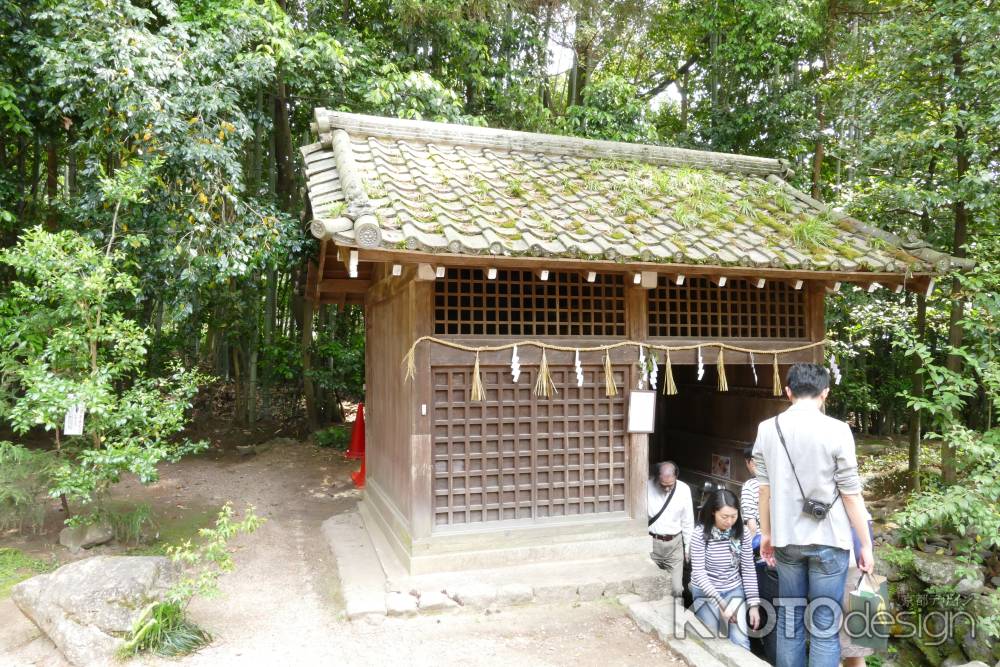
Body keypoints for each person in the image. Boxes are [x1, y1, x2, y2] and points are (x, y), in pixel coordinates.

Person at [754, 363, 874, 667]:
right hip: (830, 540)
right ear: (825, 393)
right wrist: (866, 545)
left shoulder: (767, 428)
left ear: (788, 391)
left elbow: (763, 490)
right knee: (824, 625)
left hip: (786, 540)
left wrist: (767, 534)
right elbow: (850, 493)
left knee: (790, 622)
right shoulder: (838, 429)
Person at [689, 488, 761, 650]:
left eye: (734, 516)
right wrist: (721, 604)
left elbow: (748, 569)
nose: (729, 521)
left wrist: (753, 605)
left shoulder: (742, 534)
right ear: (713, 512)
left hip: (733, 589)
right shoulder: (700, 534)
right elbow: (699, 573)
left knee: (740, 639)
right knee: (711, 639)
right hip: (706, 592)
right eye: (724, 517)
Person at [647, 461, 694, 597]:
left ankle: (675, 616)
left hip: (675, 545)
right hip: (652, 543)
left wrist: (687, 547)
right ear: (656, 478)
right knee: (653, 589)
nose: (667, 489)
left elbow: (688, 521)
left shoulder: (684, 489)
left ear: (676, 477)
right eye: (663, 485)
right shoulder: (646, 487)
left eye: (670, 485)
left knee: (677, 589)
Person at [741, 446, 760, 538]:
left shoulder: (749, 487)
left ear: (751, 462)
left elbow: (752, 527)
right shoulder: (778, 482)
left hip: (762, 544)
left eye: (746, 462)